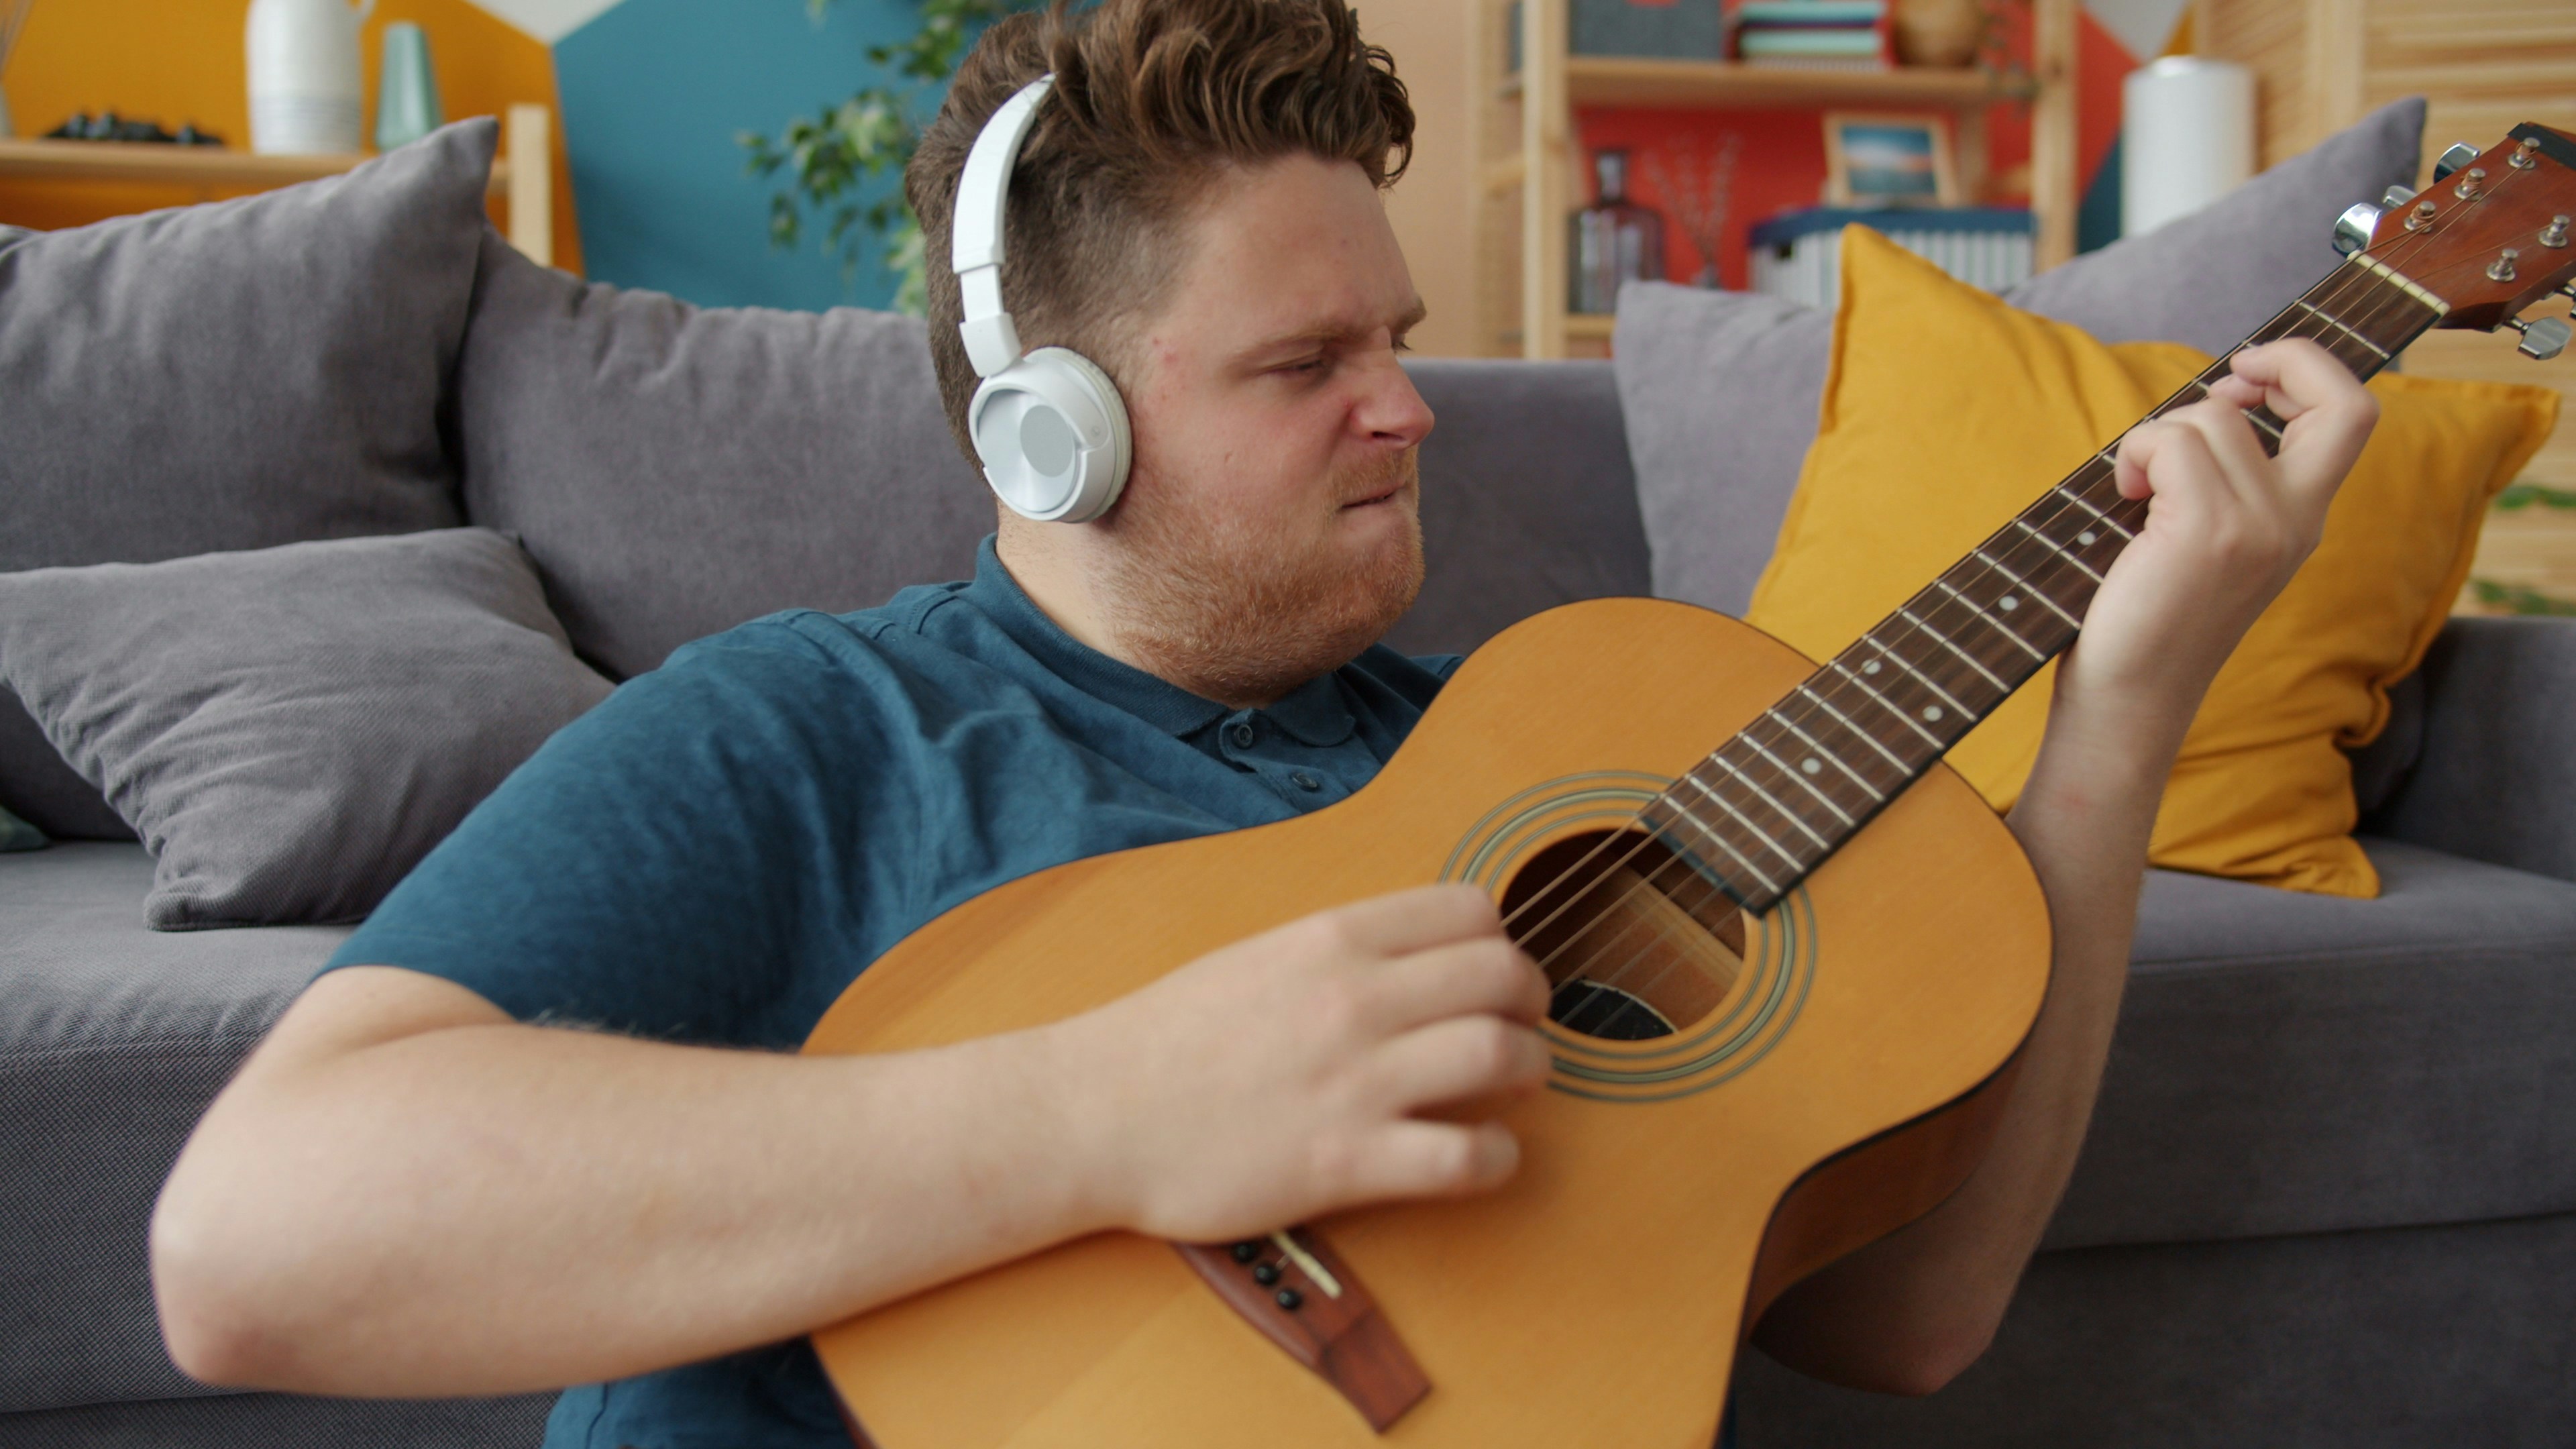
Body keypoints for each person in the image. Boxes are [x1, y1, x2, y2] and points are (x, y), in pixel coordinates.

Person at [146, 1, 2381, 1445]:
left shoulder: (1536, 747)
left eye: (1392, 335)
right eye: (1304, 365)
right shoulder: (815, 733)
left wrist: (2122, 721)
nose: (1411, 406)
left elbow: (1904, 1325)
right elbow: (252, 1244)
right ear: (1047, 434)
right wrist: (1112, 1110)